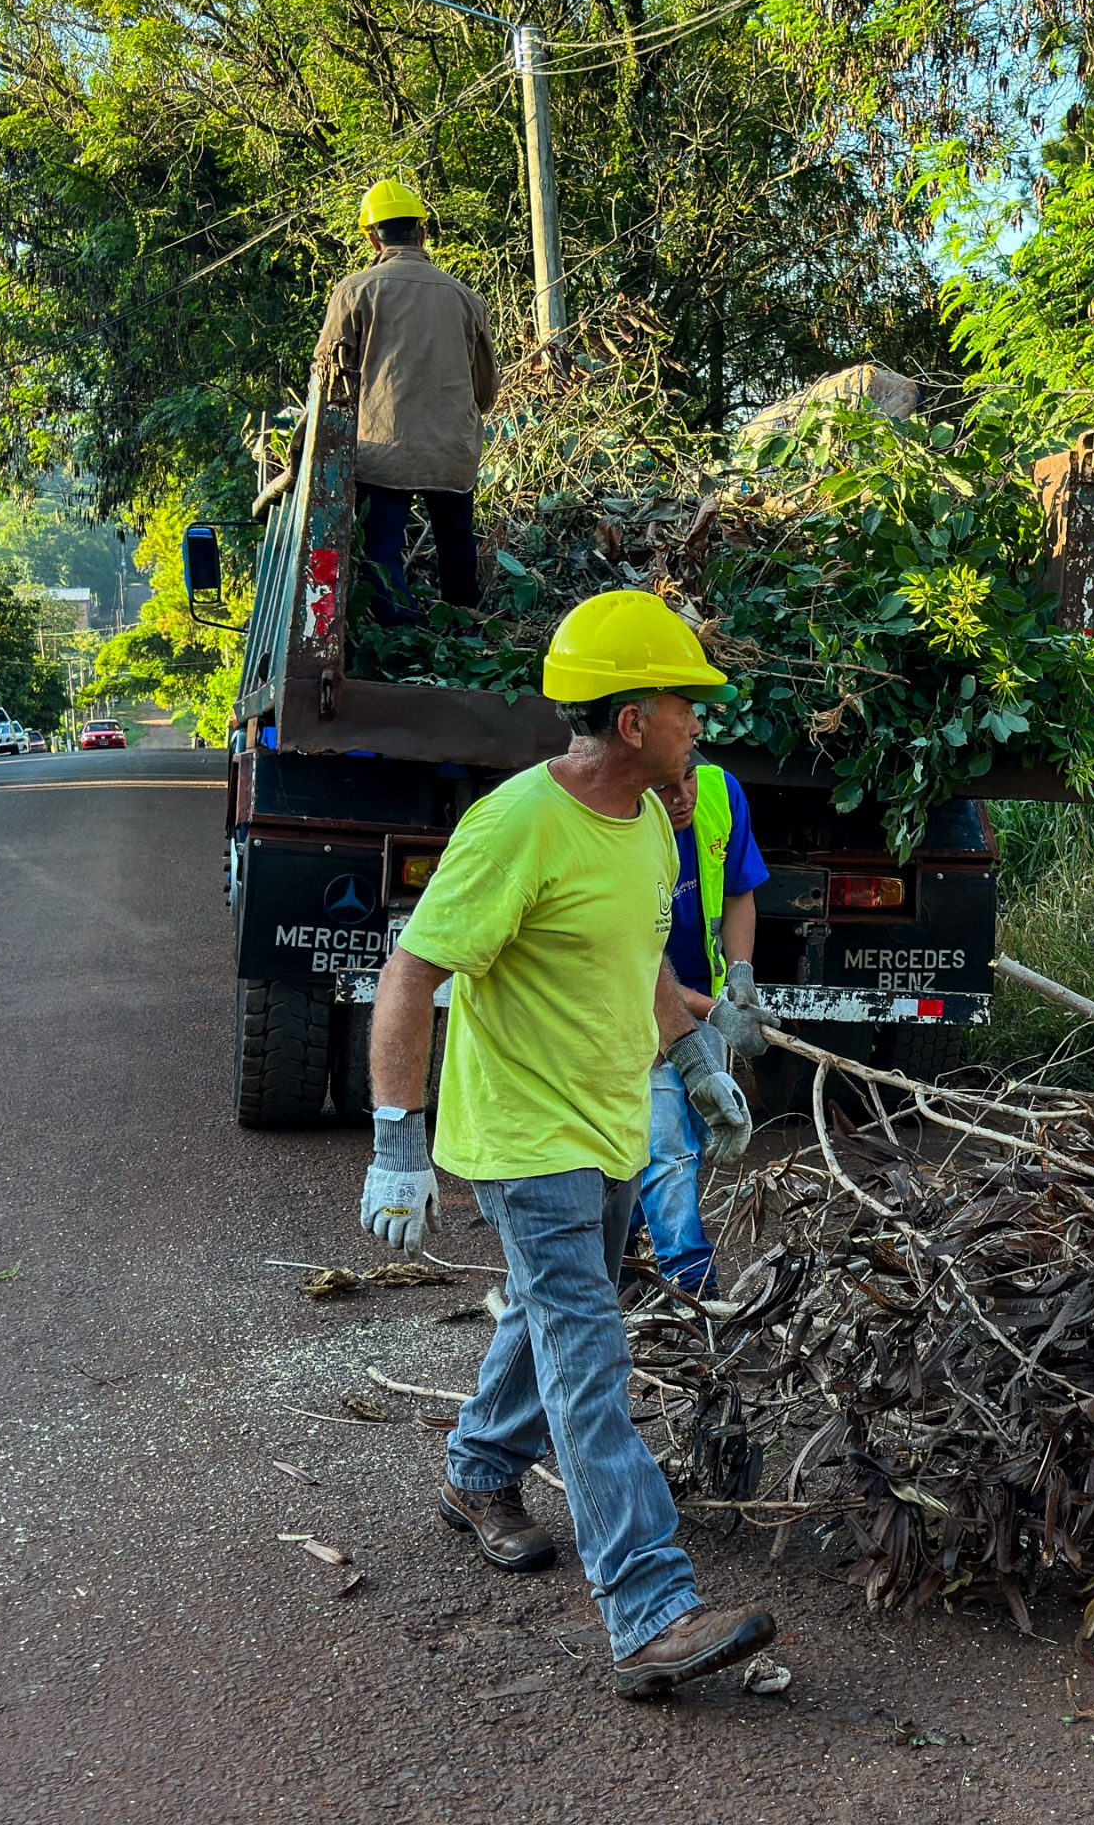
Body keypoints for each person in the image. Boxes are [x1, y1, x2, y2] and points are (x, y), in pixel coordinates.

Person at [356, 588, 773, 1698]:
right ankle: (650, 1610)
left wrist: (692, 1065)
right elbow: (412, 974)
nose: (699, 722)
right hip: (524, 1139)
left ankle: (477, 1471)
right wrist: (399, 1139)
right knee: (590, 1352)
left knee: (557, 1307)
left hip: (610, 1122)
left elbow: (637, 962)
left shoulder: (649, 822)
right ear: (631, 718)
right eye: (685, 703)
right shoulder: (515, 826)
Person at [314, 179, 500, 625]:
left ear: (373, 238)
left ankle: (401, 631)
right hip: (450, 456)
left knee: (381, 544)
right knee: (457, 541)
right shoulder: (464, 298)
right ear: (422, 234)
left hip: (381, 454)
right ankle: (464, 626)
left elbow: (328, 384)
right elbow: (487, 391)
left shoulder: (355, 291)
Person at [634, 750, 778, 1294]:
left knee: (690, 1133)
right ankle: (690, 1282)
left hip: (704, 996)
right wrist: (712, 1010)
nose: (684, 796)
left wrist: (738, 973)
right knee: (668, 1145)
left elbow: (739, 890)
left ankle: (621, 1255)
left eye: (688, 777)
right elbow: (639, 969)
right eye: (666, 787)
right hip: (637, 1002)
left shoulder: (720, 795)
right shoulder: (613, 825)